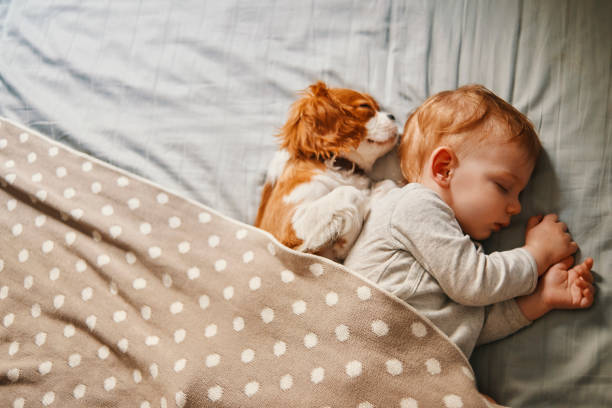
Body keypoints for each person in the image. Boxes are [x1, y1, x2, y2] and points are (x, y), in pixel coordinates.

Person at [344, 84, 595, 359]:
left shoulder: (454, 247)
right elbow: (474, 284)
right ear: (444, 169)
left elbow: (465, 328)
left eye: (520, 194)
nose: (516, 207)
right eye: (503, 186)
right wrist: (537, 255)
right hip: (362, 353)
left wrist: (541, 299)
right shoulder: (413, 204)